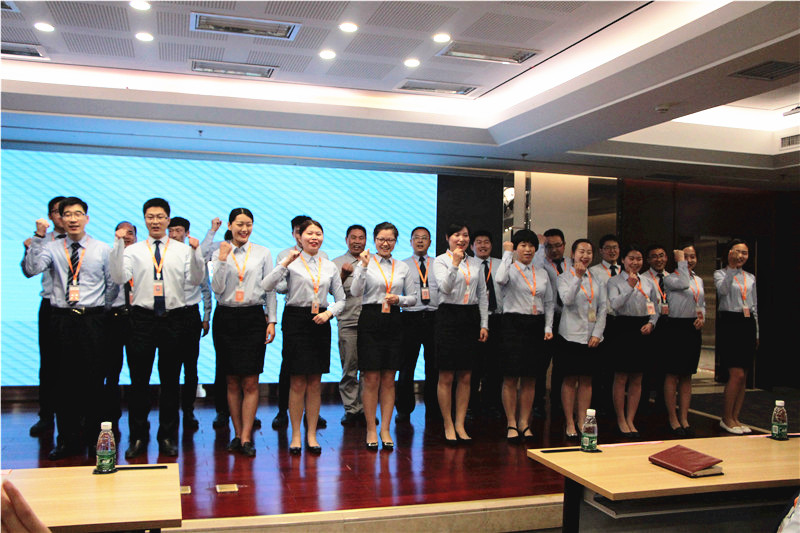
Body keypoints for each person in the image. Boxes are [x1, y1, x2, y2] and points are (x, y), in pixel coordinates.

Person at [110, 197, 205, 458]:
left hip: (174, 319)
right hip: (142, 319)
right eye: (150, 217)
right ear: (144, 220)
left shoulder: (183, 250)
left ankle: (167, 437)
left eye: (160, 217)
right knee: (139, 381)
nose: (155, 221)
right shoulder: (133, 250)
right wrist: (118, 246)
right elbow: (118, 276)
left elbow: (196, 280)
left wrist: (197, 253)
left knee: (170, 381)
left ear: (168, 219)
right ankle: (138, 437)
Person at [24, 197, 117, 459]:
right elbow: (31, 270)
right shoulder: (51, 247)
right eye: (68, 214)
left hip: (92, 319)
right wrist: (38, 238)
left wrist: (97, 311)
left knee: (94, 382)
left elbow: (112, 285)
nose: (73, 219)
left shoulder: (102, 249)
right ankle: (66, 440)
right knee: (63, 382)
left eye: (78, 214)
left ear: (87, 218)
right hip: (62, 320)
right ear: (60, 219)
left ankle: (94, 439)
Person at [261, 219, 344, 454]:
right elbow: (267, 285)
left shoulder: (329, 265)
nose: (314, 237)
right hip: (296, 320)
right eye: (309, 233)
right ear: (300, 236)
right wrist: (285, 263)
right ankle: (296, 434)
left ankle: (312, 434)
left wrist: (329, 313)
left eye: (318, 233)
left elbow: (342, 300)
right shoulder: (290, 261)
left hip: (321, 321)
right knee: (297, 382)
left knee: (315, 383)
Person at [211, 208, 277, 457]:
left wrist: (272, 320)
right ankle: (237, 434)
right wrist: (221, 260)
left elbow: (270, 288)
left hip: (253, 318)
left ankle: (247, 436)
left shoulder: (262, 252)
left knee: (250, 380)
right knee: (231, 380)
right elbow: (217, 288)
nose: (244, 229)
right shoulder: (220, 251)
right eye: (239, 224)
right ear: (229, 225)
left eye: (248, 224)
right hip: (226, 317)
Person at [350, 222, 416, 450]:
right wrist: (363, 266)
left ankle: (385, 429)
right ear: (374, 240)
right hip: (370, 319)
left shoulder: (402, 266)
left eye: (390, 240)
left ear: (396, 242)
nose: (385, 244)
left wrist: (400, 299)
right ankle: (371, 428)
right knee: (370, 378)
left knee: (389, 378)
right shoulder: (365, 262)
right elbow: (355, 292)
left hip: (394, 320)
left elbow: (413, 298)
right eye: (381, 239)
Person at [494, 230, 554, 442]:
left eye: (531, 246)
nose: (527, 249)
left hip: (536, 325)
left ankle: (524, 422)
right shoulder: (509, 268)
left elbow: (549, 302)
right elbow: (499, 279)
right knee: (511, 377)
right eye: (523, 245)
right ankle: (511, 422)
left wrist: (548, 327)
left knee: (530, 377)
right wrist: (507, 254)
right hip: (512, 324)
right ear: (516, 248)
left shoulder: (542, 273)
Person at [271, 215, 329, 431]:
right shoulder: (284, 255)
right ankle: (282, 411)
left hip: (318, 315)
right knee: (290, 367)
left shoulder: (323, 256)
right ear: (295, 234)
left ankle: (312, 414)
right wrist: (294, 276)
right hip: (295, 316)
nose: (308, 236)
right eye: (300, 232)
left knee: (314, 372)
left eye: (315, 233)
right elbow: (278, 287)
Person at [433, 222, 489, 443]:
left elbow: (482, 294)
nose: (461, 239)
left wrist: (484, 324)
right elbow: (445, 288)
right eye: (457, 235)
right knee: (446, 375)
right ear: (448, 238)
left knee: (466, 375)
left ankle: (460, 423)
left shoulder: (475, 263)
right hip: (448, 316)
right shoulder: (440, 261)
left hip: (470, 317)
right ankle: (447, 423)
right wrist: (455, 264)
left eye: (465, 235)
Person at [21, 195, 65, 438]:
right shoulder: (41, 241)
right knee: (49, 364)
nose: (63, 216)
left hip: (79, 309)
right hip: (50, 305)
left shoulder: (84, 242)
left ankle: (77, 415)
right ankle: (46, 416)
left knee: (77, 364)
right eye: (58, 212)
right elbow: (29, 271)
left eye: (68, 212)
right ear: (50, 216)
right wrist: (34, 243)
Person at [607, 244, 659, 438]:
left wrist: (652, 323)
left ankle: (631, 418)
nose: (635, 262)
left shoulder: (648, 282)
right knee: (621, 377)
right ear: (623, 260)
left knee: (637, 377)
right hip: (622, 328)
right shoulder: (614, 281)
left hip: (642, 329)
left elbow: (655, 307)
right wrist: (629, 286)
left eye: (638, 259)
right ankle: (621, 418)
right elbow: (615, 305)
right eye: (631, 258)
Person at [558, 239, 607, 439]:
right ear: (573, 254)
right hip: (570, 335)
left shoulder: (597, 279)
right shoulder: (564, 277)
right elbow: (567, 301)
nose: (585, 256)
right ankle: (569, 421)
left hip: (591, 336)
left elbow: (603, 308)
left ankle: (582, 420)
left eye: (589, 252)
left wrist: (597, 334)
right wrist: (577, 278)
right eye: (581, 251)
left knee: (587, 381)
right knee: (570, 380)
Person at [168, 217, 212, 431]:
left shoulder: (195, 254)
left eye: (179, 231)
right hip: (168, 316)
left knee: (190, 368)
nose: (174, 234)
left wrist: (206, 316)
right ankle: (170, 412)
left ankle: (188, 410)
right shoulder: (161, 255)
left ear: (186, 233)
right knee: (170, 368)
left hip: (190, 315)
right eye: (171, 230)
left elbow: (205, 289)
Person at [397, 226, 440, 423]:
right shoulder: (403, 265)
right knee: (407, 366)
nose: (420, 241)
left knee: (434, 366)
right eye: (416, 238)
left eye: (424, 238)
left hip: (434, 318)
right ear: (411, 242)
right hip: (410, 318)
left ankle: (434, 408)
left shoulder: (438, 264)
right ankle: (404, 409)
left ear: (430, 242)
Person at [714, 239, 757, 435]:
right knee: (736, 374)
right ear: (730, 253)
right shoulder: (720, 274)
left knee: (744, 375)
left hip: (747, 323)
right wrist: (731, 269)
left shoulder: (750, 277)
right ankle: (726, 418)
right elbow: (722, 291)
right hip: (730, 323)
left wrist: (757, 331)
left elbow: (754, 306)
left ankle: (736, 417)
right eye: (737, 252)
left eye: (744, 253)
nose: (741, 256)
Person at [663, 245, 705, 436]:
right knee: (672, 375)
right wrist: (681, 263)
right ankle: (673, 418)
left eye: (692, 256)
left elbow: (701, 303)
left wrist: (702, 317)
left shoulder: (699, 280)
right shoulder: (670, 278)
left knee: (687, 375)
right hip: (675, 328)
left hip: (692, 328)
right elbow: (683, 284)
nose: (689, 260)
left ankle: (684, 417)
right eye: (685, 257)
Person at [532, 228, 571, 418]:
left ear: (564, 245)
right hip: (547, 318)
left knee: (562, 363)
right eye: (549, 246)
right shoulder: (540, 264)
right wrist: (540, 248)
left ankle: (558, 402)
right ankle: (538, 403)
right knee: (541, 363)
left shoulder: (572, 264)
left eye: (558, 245)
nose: (554, 250)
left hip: (568, 318)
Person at [104, 221, 137, 438]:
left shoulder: (142, 256)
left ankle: (137, 418)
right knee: (111, 370)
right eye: (122, 234)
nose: (126, 237)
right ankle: (110, 414)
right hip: (114, 317)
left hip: (137, 318)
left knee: (138, 371)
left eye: (130, 233)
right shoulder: (109, 257)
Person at [332, 225, 367, 426]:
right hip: (348, 321)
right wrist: (343, 275)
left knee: (369, 370)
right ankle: (352, 409)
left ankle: (366, 408)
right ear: (346, 240)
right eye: (353, 237)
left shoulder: (372, 262)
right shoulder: (336, 263)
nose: (357, 241)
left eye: (361, 238)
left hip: (370, 323)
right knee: (349, 368)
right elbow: (331, 291)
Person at [469, 230, 504, 420]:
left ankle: (492, 404)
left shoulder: (501, 264)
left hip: (497, 319)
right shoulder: (468, 265)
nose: (483, 245)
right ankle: (472, 406)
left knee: (495, 366)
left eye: (486, 242)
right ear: (472, 246)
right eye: (479, 242)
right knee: (474, 365)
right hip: (475, 319)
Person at [588, 234, 621, 416]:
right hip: (603, 321)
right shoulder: (594, 271)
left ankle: (613, 405)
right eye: (608, 248)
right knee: (600, 367)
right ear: (601, 251)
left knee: (618, 367)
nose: (612, 251)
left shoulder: (625, 270)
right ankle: (598, 405)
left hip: (621, 322)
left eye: (615, 247)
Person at [642, 244, 670, 412]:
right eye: (654, 256)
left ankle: (662, 403)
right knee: (647, 367)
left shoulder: (671, 278)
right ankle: (643, 403)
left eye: (661, 255)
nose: (659, 259)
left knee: (665, 367)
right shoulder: (643, 279)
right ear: (648, 260)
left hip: (668, 325)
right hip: (650, 324)